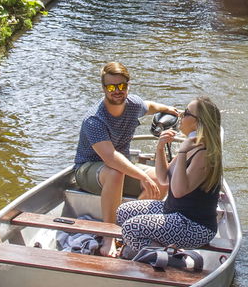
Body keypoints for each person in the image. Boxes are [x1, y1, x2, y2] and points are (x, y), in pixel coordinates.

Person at [74, 62, 179, 231]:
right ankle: (109, 234)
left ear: (128, 85)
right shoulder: (94, 120)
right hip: (87, 170)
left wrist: (168, 109)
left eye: (122, 86)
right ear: (103, 88)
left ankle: (131, 226)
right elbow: (111, 158)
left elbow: (149, 106)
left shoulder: (133, 105)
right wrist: (142, 177)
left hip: (120, 169)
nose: (117, 90)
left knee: (162, 179)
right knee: (115, 172)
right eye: (111, 87)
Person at [116, 97, 223, 259]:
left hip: (194, 225)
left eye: (186, 113)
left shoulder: (203, 154)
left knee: (131, 228)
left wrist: (182, 152)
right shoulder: (191, 144)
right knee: (123, 212)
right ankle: (157, 250)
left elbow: (179, 191)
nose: (180, 116)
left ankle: (171, 259)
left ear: (198, 122)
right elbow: (164, 179)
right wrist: (160, 148)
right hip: (172, 211)